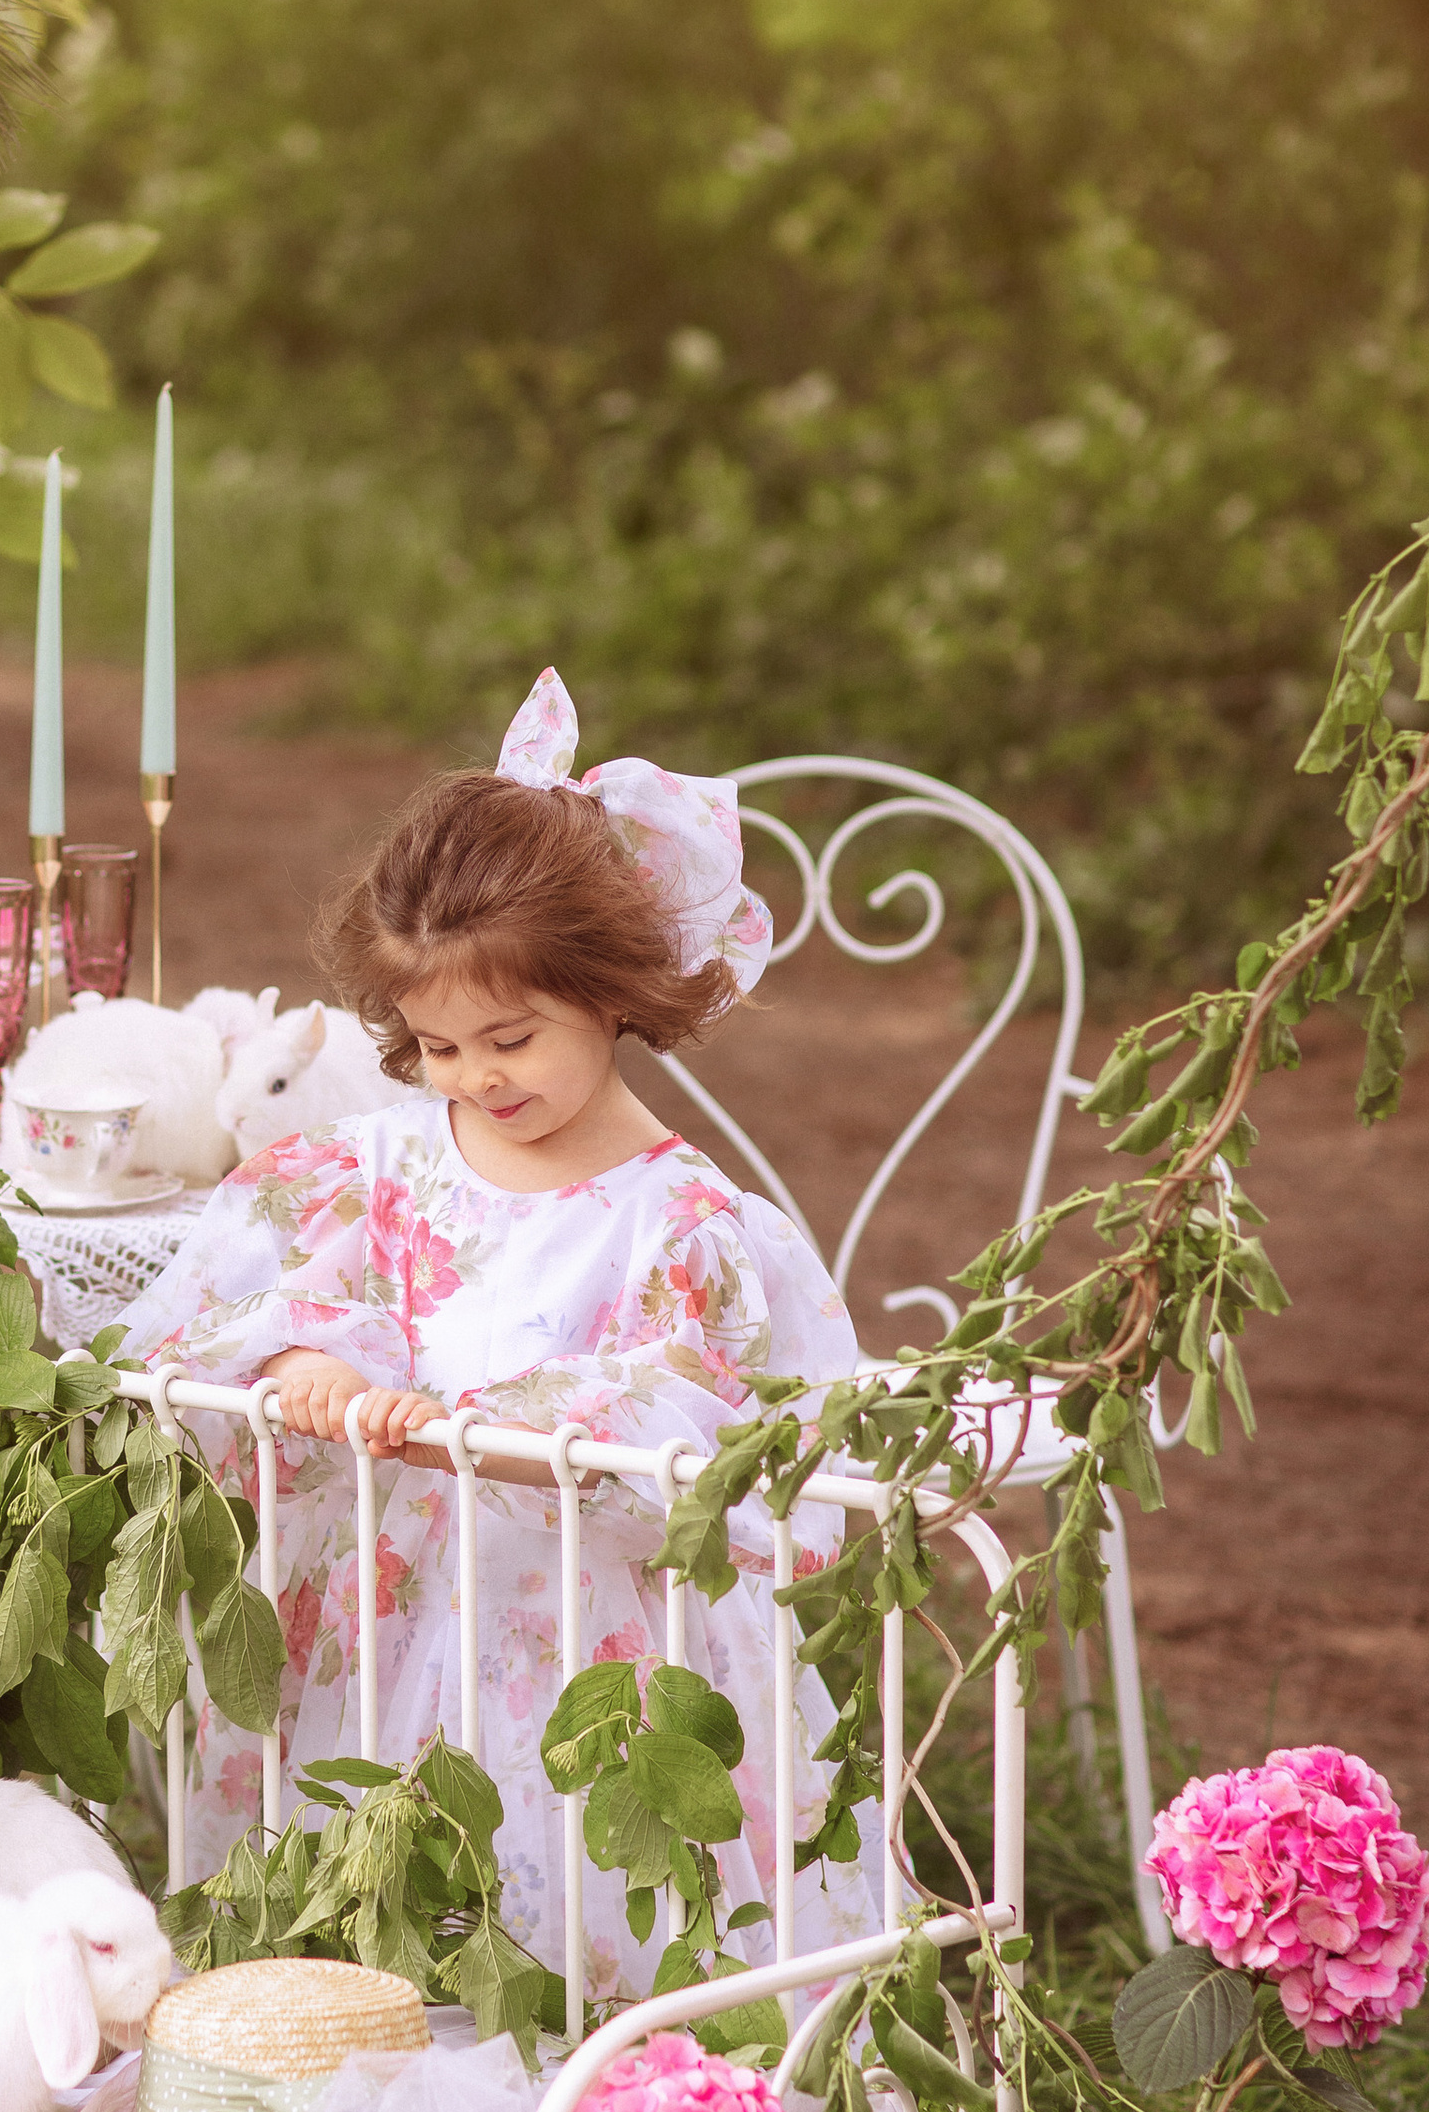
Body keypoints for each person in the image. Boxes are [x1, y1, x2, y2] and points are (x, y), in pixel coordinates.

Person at [124, 667, 878, 2001]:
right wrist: (310, 1363)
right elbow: (248, 1300)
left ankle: (613, 2059)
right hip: (394, 1616)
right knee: (382, 1902)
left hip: (588, 1641)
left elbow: (713, 1430)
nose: (478, 1076)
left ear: (611, 989)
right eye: (437, 1044)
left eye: (511, 1037)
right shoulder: (384, 1165)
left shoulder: (685, 1224)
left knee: (580, 1901)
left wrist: (521, 1432)